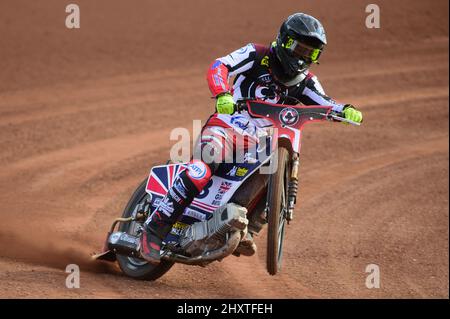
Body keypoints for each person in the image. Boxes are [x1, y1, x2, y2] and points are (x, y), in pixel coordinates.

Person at [140, 12, 363, 264]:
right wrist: (222, 93)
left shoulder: (307, 82)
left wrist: (345, 110)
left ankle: (245, 228)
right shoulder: (256, 54)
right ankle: (154, 229)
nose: (302, 57)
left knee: (275, 167)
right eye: (299, 48)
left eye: (310, 53)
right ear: (283, 40)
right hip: (226, 128)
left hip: (258, 144)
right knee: (201, 170)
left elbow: (326, 103)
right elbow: (219, 66)